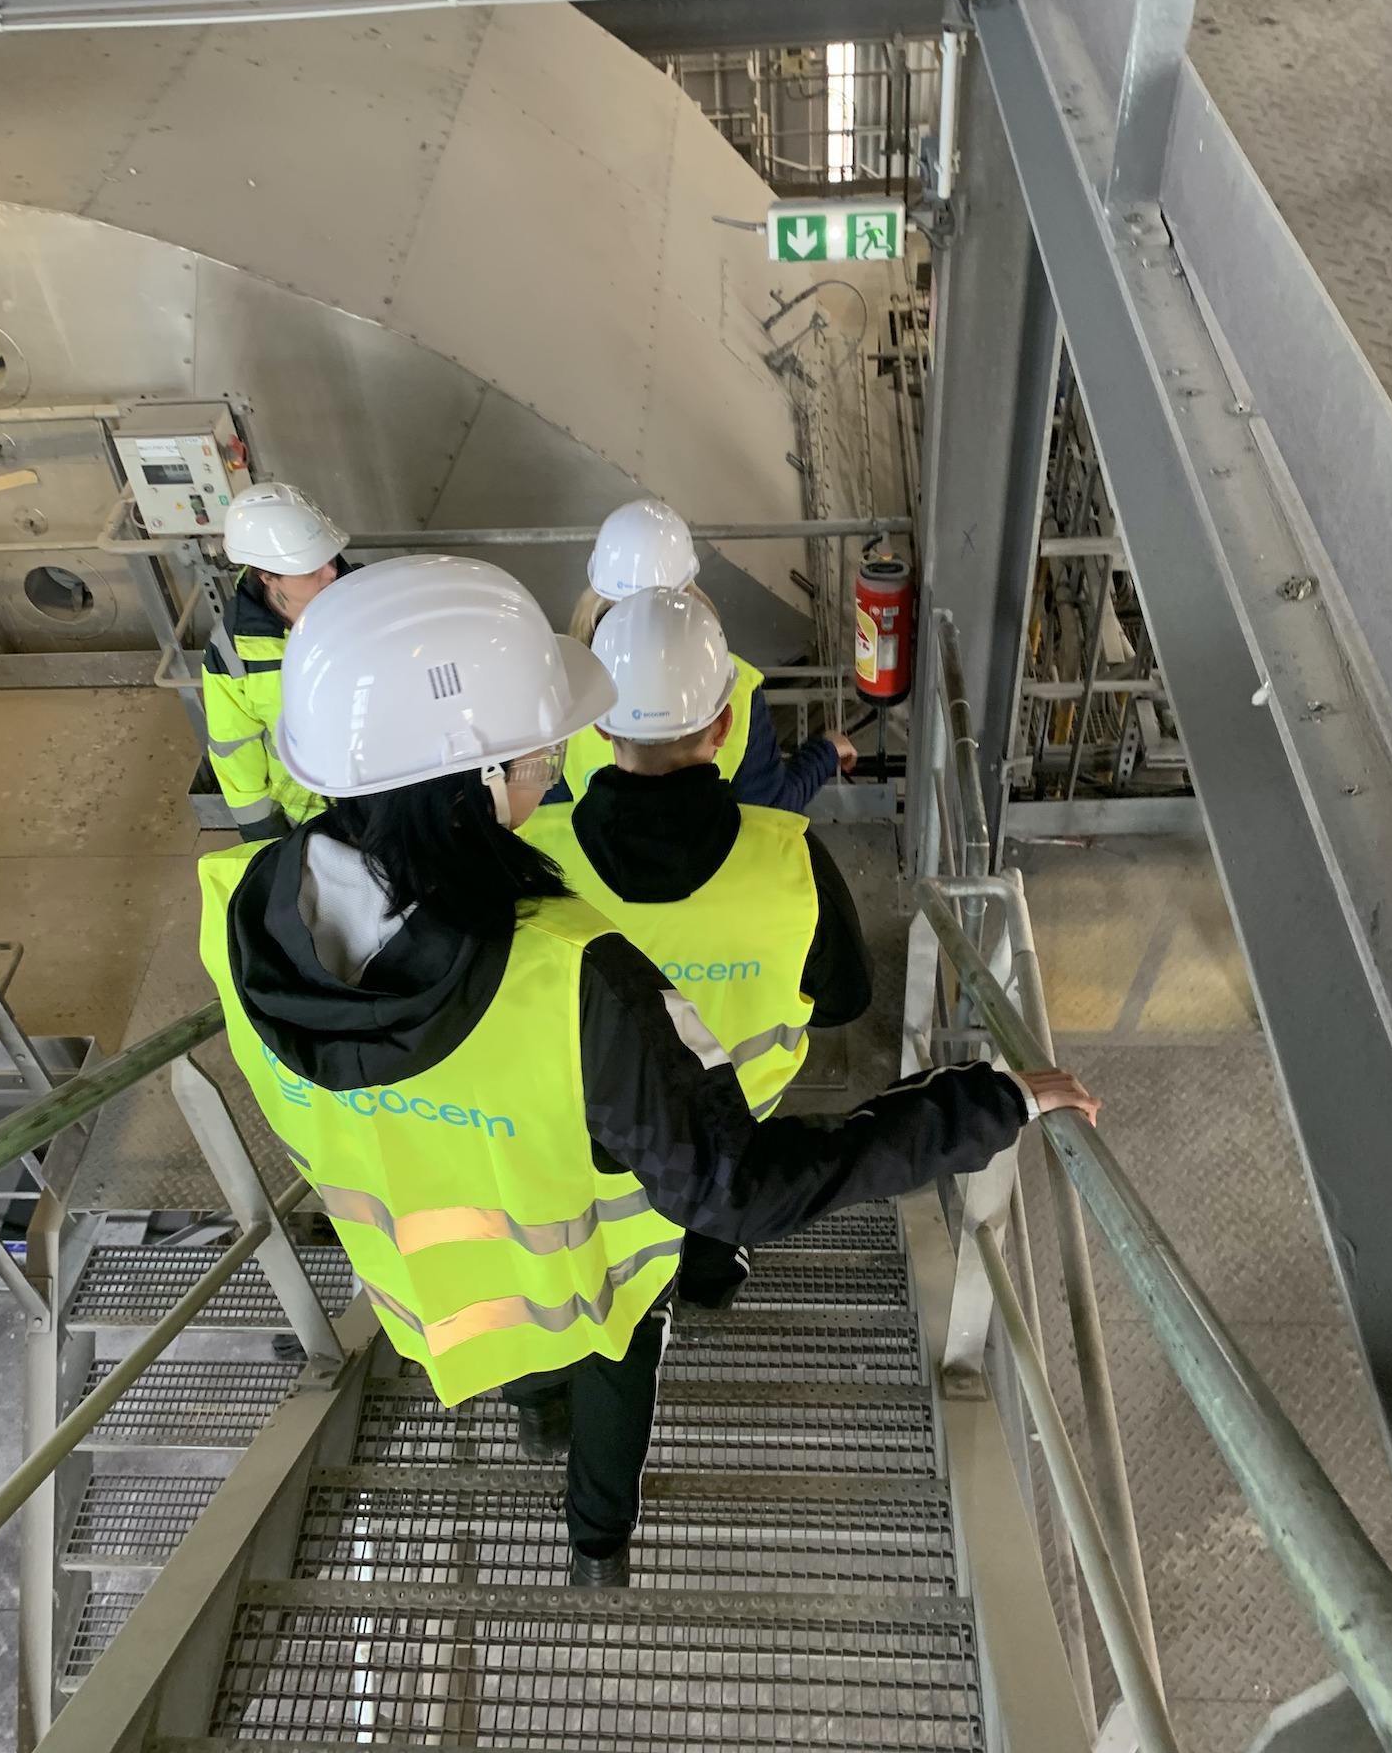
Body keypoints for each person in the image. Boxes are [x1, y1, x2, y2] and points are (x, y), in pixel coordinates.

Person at [196, 554, 1099, 1589]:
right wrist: (988, 1099)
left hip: (428, 1294)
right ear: (472, 781)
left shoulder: (235, 910)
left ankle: (538, 1414)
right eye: (532, 751)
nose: (548, 768)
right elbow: (740, 1185)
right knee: (608, 1373)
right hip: (593, 1282)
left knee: (527, 1370)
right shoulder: (575, 980)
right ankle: (595, 1546)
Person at [528, 587, 873, 1311]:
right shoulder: (793, 861)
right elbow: (845, 1000)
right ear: (724, 726)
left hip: (605, 1121)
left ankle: (629, 1300)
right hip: (740, 1116)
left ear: (597, 725)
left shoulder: (531, 859)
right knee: (726, 1181)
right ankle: (711, 1273)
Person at [553, 497, 856, 811]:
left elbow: (545, 813)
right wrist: (826, 752)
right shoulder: (737, 685)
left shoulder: (564, 689)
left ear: (601, 725)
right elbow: (769, 807)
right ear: (721, 724)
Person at [203, 483, 352, 843]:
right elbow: (235, 746)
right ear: (266, 576)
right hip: (309, 819)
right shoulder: (235, 650)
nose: (331, 573)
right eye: (310, 569)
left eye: (330, 559)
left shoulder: (368, 606)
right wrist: (261, 833)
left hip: (387, 795)